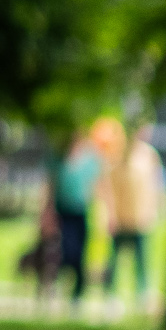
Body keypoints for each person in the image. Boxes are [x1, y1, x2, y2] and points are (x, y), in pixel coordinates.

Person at [98, 118, 164, 304]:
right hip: (120, 217)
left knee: (142, 260)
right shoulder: (117, 154)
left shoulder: (149, 155)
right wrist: (109, 214)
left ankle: (142, 294)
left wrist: (156, 208)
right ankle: (111, 295)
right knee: (114, 259)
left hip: (141, 217)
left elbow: (155, 185)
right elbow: (107, 187)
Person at [49, 126, 106, 306]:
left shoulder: (91, 161)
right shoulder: (59, 158)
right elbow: (51, 186)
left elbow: (99, 187)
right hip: (63, 211)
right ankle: (62, 284)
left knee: (80, 251)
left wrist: (103, 212)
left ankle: (78, 290)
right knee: (64, 249)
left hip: (81, 211)